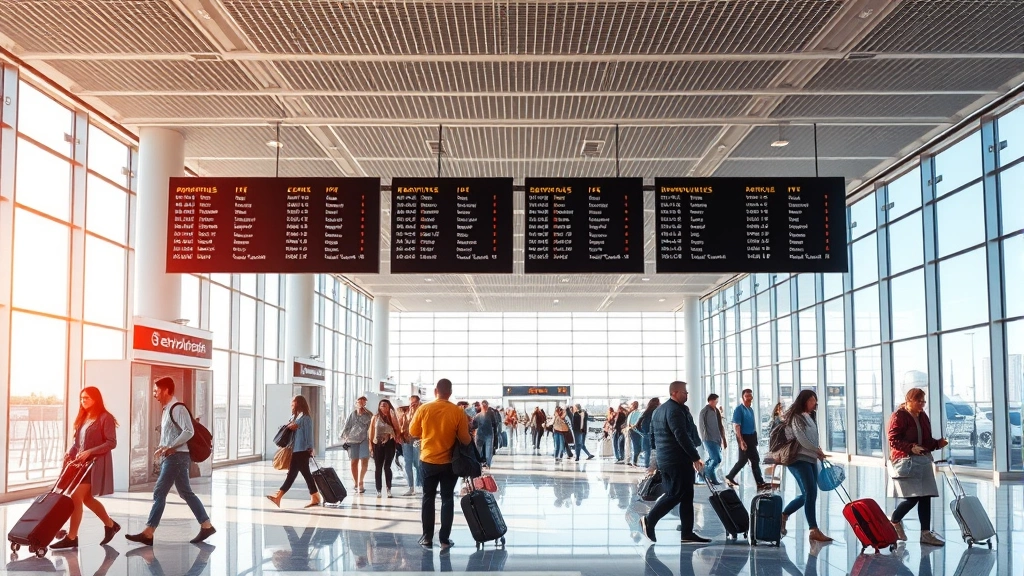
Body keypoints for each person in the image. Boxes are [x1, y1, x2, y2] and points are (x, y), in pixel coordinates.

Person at [126, 377, 215, 546]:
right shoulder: (167, 409)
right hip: (174, 457)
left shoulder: (177, 408)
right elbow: (175, 433)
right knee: (185, 493)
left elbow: (188, 431)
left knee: (160, 491)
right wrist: (163, 447)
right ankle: (206, 525)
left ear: (165, 390)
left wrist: (169, 447)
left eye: (156, 390)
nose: (154, 394)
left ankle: (149, 531)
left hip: (177, 457)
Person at [639, 381, 708, 544]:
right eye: (684, 392)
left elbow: (652, 437)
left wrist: (656, 460)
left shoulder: (658, 410)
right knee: (676, 494)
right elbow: (681, 436)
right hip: (677, 459)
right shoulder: (675, 410)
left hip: (666, 459)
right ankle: (649, 520)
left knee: (686, 495)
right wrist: (695, 457)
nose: (687, 395)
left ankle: (687, 532)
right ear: (675, 392)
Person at [50, 387, 120, 549]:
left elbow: (111, 442)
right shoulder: (84, 417)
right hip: (81, 466)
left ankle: (72, 537)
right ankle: (110, 525)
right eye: (82, 398)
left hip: (93, 465)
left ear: (96, 399)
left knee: (75, 496)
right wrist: (70, 453)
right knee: (87, 499)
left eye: (87, 398)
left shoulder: (105, 418)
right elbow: (77, 444)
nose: (83, 401)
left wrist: (90, 452)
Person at [409, 378, 472, 550]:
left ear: (435, 391)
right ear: (450, 392)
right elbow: (465, 440)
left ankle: (427, 537)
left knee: (428, 498)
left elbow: (413, 431)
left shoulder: (424, 408)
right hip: (449, 463)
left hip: (428, 460)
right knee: (447, 499)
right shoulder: (457, 411)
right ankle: (444, 539)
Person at [887, 388, 948, 546]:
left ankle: (925, 533)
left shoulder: (922, 416)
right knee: (913, 498)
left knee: (926, 496)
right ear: (909, 400)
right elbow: (893, 439)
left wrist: (937, 444)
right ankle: (894, 520)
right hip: (907, 461)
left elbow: (926, 441)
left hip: (922, 461)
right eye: (918, 401)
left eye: (923, 401)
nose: (922, 404)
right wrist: (911, 447)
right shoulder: (899, 416)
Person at [780, 390, 833, 542]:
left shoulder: (810, 416)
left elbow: (812, 438)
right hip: (797, 459)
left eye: (815, 400)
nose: (814, 403)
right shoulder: (796, 418)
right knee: (810, 492)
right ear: (803, 401)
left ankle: (784, 515)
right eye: (811, 400)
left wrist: (817, 452)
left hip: (810, 458)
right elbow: (802, 439)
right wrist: (816, 450)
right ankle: (813, 529)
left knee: (809, 494)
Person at [266, 395, 320, 509]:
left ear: (299, 403)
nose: (291, 405)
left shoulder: (306, 418)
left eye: (293, 403)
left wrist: (310, 447)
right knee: (301, 475)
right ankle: (314, 497)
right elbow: (285, 428)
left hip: (302, 450)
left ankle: (279, 497)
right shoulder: (295, 417)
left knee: (295, 475)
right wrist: (290, 425)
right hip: (295, 449)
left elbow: (309, 434)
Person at [725, 389, 768, 490]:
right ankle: (759, 482)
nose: (749, 398)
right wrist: (741, 441)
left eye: (750, 396)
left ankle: (731, 477)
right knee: (749, 460)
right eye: (746, 396)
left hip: (751, 437)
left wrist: (755, 439)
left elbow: (752, 425)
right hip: (744, 437)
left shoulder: (750, 409)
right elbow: (736, 426)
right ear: (743, 397)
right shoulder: (739, 409)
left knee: (749, 460)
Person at [369, 398, 401, 498]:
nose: (383, 407)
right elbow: (371, 432)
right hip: (377, 443)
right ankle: (378, 489)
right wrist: (370, 446)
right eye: (382, 405)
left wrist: (393, 417)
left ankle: (388, 488)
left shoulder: (392, 416)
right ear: (379, 407)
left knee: (387, 466)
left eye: (385, 406)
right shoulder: (375, 417)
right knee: (378, 467)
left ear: (389, 407)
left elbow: (397, 429)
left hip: (389, 443)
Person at [340, 396, 373, 494]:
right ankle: (355, 482)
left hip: (365, 440)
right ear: (356, 402)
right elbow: (346, 426)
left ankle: (361, 481)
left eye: (364, 401)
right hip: (352, 441)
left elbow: (372, 427)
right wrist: (346, 437)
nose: (361, 403)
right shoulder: (352, 414)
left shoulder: (369, 415)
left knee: (364, 460)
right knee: (354, 461)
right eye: (360, 401)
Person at [697, 394, 727, 485]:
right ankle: (712, 477)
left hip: (717, 439)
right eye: (716, 401)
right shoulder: (704, 411)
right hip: (709, 439)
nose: (717, 403)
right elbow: (702, 426)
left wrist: (723, 439)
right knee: (716, 458)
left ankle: (702, 472)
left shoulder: (716, 411)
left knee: (713, 458)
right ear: (710, 400)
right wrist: (705, 438)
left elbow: (720, 426)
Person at [399, 395, 423, 496]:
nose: (412, 405)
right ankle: (411, 487)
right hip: (406, 440)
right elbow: (402, 426)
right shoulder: (406, 413)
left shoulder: (421, 413)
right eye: (411, 403)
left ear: (418, 403)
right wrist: (400, 435)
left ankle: (420, 486)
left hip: (417, 440)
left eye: (414, 403)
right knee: (407, 463)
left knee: (418, 464)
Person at [634, 398, 660, 468]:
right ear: (657, 403)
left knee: (647, 454)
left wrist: (643, 433)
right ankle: (654, 471)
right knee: (655, 454)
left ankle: (647, 470)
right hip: (655, 436)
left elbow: (637, 425)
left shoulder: (645, 412)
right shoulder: (657, 412)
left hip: (646, 436)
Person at [473, 400, 497, 468]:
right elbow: (494, 424)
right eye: (483, 405)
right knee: (483, 450)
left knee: (486, 451)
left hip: (486, 434)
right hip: (483, 434)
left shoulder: (489, 414)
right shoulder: (478, 415)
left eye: (484, 405)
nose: (484, 407)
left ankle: (485, 464)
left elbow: (494, 423)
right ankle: (483, 464)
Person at [627, 400, 643, 466]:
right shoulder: (639, 413)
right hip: (637, 432)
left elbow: (628, 423)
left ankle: (634, 461)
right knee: (637, 447)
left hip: (632, 431)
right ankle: (634, 461)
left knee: (634, 446)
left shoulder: (631, 414)